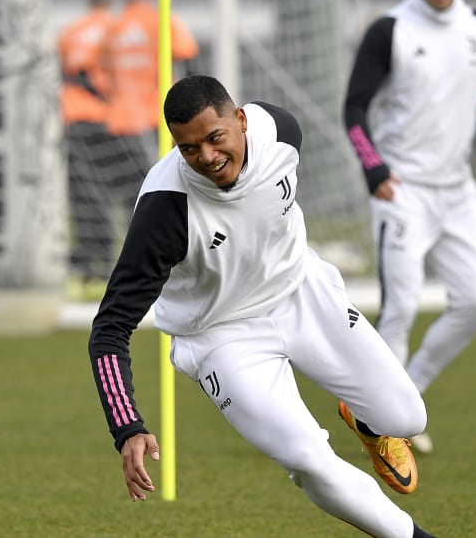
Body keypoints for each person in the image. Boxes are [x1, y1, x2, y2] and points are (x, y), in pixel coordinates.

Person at [89, 75, 437, 538]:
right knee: (308, 459)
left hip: (300, 291)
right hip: (221, 337)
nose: (207, 157)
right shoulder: (164, 212)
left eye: (215, 138)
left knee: (409, 418)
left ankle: (370, 424)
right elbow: (109, 329)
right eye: (189, 149)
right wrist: (127, 426)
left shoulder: (281, 130)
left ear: (241, 120)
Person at [342, 0, 476, 456]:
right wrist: (374, 169)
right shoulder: (388, 31)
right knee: (400, 309)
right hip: (401, 191)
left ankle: (403, 397)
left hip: (456, 191)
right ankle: (388, 428)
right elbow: (354, 109)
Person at [101, 0, 198, 216]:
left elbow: (101, 77)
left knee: (133, 189)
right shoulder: (161, 20)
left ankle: (136, 238)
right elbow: (188, 57)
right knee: (168, 182)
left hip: (122, 119)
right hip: (158, 114)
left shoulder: (114, 28)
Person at [57, 0, 117, 289]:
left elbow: (67, 73)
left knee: (83, 195)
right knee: (111, 193)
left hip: (73, 120)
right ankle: (104, 262)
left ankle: (88, 261)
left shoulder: (70, 32)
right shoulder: (117, 28)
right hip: (108, 121)